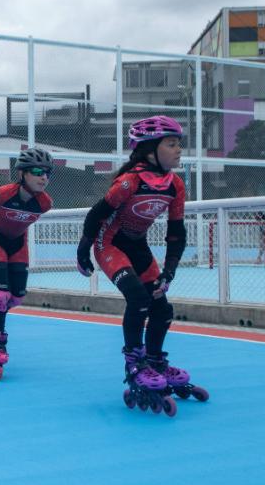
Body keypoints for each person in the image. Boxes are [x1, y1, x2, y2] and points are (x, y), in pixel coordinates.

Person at [76, 115, 208, 417]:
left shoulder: (175, 184)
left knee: (162, 307)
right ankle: (135, 364)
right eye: (171, 144)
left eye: (179, 144)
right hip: (109, 245)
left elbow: (177, 232)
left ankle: (156, 361)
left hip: (138, 247)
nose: (179, 150)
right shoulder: (129, 181)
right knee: (138, 299)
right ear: (150, 148)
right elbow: (97, 214)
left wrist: (169, 269)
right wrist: (83, 251)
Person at [0, 148, 53, 381]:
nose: (43, 178)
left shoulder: (45, 203)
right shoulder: (4, 193)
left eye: (48, 173)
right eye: (38, 172)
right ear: (22, 174)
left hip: (19, 244)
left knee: (16, 297)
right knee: (1, 294)